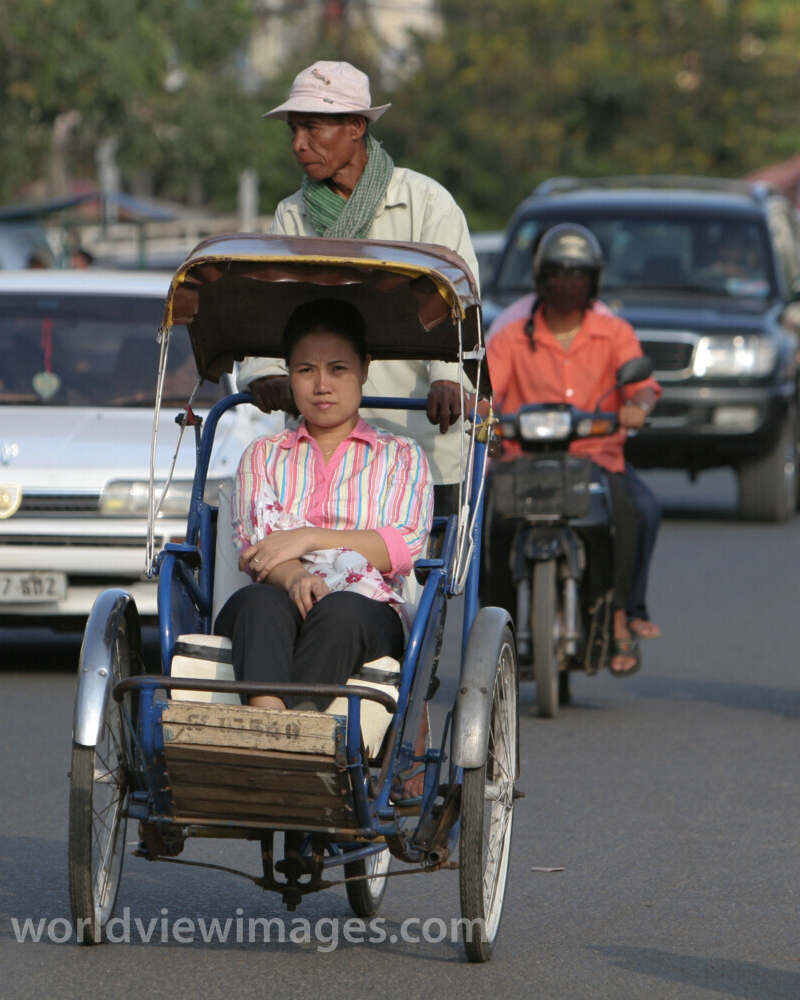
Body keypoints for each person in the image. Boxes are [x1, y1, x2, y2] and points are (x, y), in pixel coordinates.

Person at [237, 61, 476, 515]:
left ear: (355, 126)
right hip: (320, 453)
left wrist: (448, 381)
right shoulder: (291, 216)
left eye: (310, 128)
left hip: (419, 439)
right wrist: (265, 373)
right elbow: (270, 308)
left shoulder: (427, 204)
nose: (297, 145)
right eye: (293, 131)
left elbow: (456, 306)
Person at [213, 298, 432, 713]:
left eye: (338, 369)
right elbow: (255, 546)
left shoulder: (401, 454)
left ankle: (304, 725)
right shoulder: (262, 454)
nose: (321, 386)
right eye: (305, 371)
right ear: (289, 375)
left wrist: (306, 537)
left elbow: (402, 546)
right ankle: (267, 722)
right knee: (258, 603)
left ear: (364, 369)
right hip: (274, 600)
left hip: (365, 610)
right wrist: (295, 575)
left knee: (342, 610)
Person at [485, 224, 661, 674]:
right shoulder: (510, 336)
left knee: (633, 512)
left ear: (594, 281)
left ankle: (620, 617)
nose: (567, 283)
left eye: (578, 274)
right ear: (541, 277)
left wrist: (637, 405)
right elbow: (485, 391)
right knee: (490, 529)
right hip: (525, 463)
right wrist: (473, 409)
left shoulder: (615, 332)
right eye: (558, 273)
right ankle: (492, 634)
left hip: (596, 460)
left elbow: (640, 385)